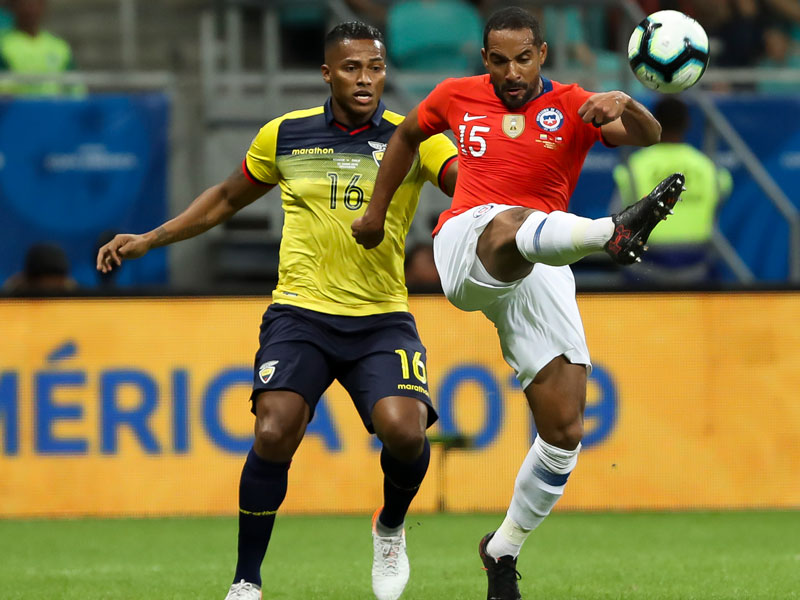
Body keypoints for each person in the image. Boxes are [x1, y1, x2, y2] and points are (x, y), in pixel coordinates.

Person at [96, 21, 458, 600]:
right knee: (274, 429)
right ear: (326, 73)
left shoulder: (411, 135)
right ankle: (246, 579)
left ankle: (389, 527)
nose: (365, 79)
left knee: (405, 432)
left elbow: (463, 181)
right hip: (300, 315)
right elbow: (224, 198)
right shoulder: (284, 135)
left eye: (375, 67)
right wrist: (151, 238)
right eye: (351, 68)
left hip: (381, 317)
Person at [351, 7, 683, 599]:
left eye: (523, 59)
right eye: (499, 61)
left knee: (564, 429)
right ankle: (611, 232)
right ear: (484, 59)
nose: (511, 72)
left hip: (543, 258)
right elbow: (405, 137)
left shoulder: (575, 104)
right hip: (469, 241)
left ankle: (502, 548)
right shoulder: (454, 96)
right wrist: (377, 212)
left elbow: (650, 136)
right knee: (514, 221)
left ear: (543, 55)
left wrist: (626, 104)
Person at [613, 97, 733, 283]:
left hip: (646, 268)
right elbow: (720, 198)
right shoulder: (708, 167)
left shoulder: (634, 167)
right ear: (687, 123)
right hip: (697, 266)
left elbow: (617, 216)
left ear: (653, 122)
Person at [0, 0, 83, 96]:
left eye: (36, 4)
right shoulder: (3, 46)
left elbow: (74, 89)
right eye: (25, 4)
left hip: (52, 110)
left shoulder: (59, 47)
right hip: (15, 110)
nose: (30, 9)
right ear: (14, 7)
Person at [3, 242, 77, 293]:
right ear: (29, 280)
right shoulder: (10, 304)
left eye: (55, 288)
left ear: (63, 280)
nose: (49, 290)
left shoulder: (79, 302)